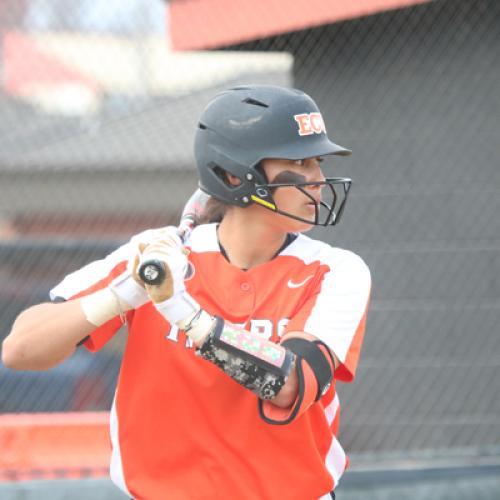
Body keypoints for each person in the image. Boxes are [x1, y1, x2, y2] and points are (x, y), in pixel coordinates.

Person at [2, 85, 371, 500]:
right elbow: (20, 349)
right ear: (235, 175)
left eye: (317, 161)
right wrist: (124, 294)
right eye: (299, 162)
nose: (318, 180)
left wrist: (186, 315)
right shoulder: (160, 255)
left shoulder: (335, 270)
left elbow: (290, 384)